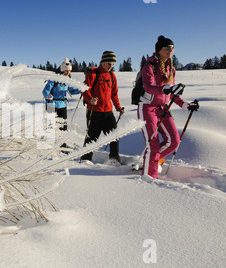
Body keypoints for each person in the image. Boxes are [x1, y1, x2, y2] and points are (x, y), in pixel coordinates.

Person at [138, 35, 199, 179]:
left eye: (172, 48)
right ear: (159, 50)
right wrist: (164, 89)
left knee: (174, 141)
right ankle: (149, 179)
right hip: (147, 107)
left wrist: (184, 104)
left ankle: (152, 161)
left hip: (163, 108)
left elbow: (172, 93)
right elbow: (148, 87)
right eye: (167, 48)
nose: (170, 50)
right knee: (152, 145)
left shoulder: (171, 68)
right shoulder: (150, 65)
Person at [80, 51, 125, 162]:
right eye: (109, 63)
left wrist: (118, 108)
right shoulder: (93, 74)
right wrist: (90, 99)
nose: (111, 66)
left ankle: (114, 160)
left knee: (114, 136)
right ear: (103, 62)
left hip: (108, 112)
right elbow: (84, 90)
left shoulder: (111, 75)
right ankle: (85, 160)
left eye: (113, 64)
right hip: (94, 112)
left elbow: (114, 94)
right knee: (92, 138)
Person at [42, 58, 80, 152]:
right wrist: (48, 95)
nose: (68, 72)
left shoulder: (67, 80)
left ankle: (62, 145)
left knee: (63, 126)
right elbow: (45, 90)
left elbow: (71, 90)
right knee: (51, 125)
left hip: (62, 105)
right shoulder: (54, 79)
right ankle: (49, 143)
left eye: (69, 71)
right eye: (66, 71)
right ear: (62, 70)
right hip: (51, 104)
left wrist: (80, 90)